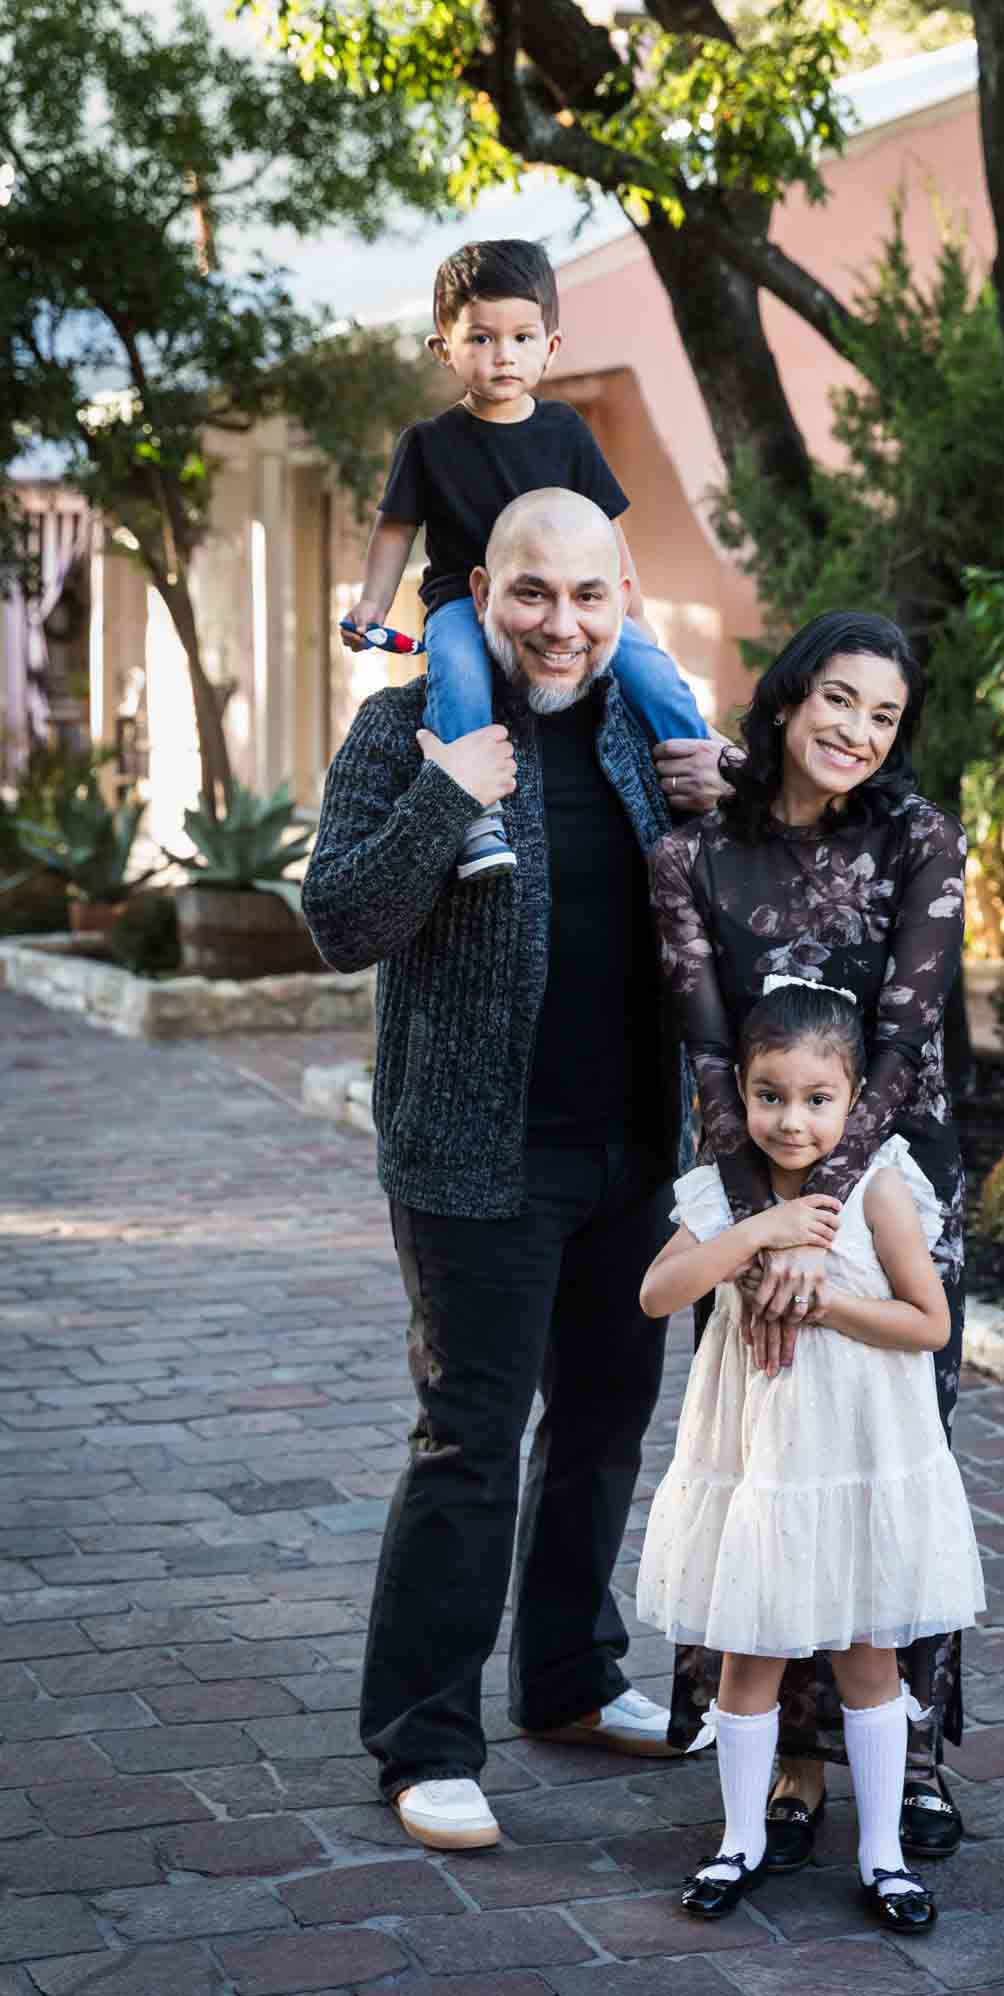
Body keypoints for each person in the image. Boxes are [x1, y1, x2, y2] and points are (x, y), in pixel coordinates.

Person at [302, 487, 727, 1854]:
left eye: (589, 596)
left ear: (622, 603)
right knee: (470, 1443)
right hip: (474, 1154)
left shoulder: (649, 739)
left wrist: (729, 816)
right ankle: (424, 1740)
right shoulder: (403, 727)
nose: (561, 622)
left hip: (631, 1151)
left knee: (605, 1424)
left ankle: (570, 1679)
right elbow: (337, 921)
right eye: (532, 594)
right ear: (482, 593)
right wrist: (442, 798)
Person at [648, 609, 972, 1871]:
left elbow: (900, 1044)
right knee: (767, 1453)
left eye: (883, 715)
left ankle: (914, 1750)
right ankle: (783, 1750)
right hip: (742, 1177)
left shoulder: (919, 837)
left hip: (894, 1178)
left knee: (893, 1454)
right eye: (836, 699)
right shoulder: (692, 854)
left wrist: (818, 1222)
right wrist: (761, 1220)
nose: (855, 730)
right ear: (787, 699)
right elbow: (707, 1048)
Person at [637, 980, 984, 1929]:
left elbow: (928, 1321)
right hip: (762, 1469)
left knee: (870, 1654)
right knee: (747, 1654)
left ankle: (881, 1853)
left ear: (851, 1099)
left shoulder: (879, 1186)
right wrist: (757, 1233)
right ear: (741, 1095)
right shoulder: (727, 1191)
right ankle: (738, 1840)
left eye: (817, 1099)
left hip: (861, 1455)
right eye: (769, 1096)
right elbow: (658, 1294)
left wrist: (820, 1301)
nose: (791, 1121)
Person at [341, 236, 708, 882]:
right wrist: (371, 603)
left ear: (551, 346)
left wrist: (633, 610)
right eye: (480, 339)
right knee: (455, 666)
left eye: (521, 338)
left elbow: (607, 532)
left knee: (652, 668)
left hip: (567, 593)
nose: (502, 355)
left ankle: (701, 772)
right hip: (460, 595)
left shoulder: (566, 431)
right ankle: (476, 818)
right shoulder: (428, 444)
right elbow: (394, 529)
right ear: (443, 348)